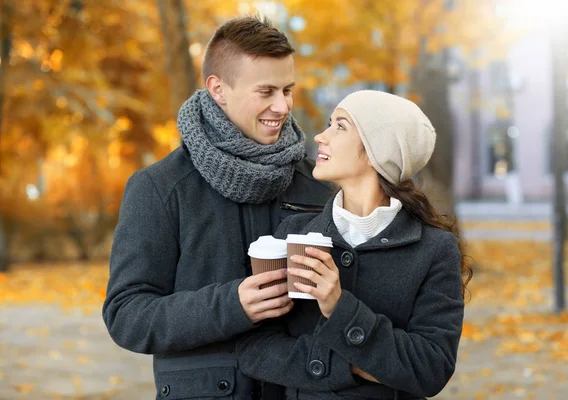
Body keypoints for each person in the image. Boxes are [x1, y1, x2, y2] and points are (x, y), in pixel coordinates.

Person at [102, 16, 334, 400]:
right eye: (266, 91)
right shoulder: (159, 189)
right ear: (218, 89)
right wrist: (231, 305)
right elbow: (127, 316)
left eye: (288, 90)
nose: (282, 106)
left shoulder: (320, 184)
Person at [236, 90, 473, 399]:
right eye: (329, 124)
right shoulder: (294, 233)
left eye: (341, 126)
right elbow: (253, 349)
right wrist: (344, 367)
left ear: (379, 149)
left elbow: (430, 369)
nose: (321, 136)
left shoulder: (434, 249)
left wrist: (339, 307)